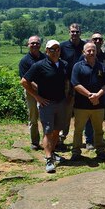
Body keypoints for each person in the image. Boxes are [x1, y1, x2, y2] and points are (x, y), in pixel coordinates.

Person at [21, 40, 69, 173]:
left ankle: (52, 152)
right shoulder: (39, 66)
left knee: (56, 131)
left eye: (57, 49)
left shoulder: (64, 65)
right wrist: (37, 97)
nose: (54, 52)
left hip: (60, 102)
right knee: (48, 131)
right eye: (51, 49)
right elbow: (24, 81)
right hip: (46, 104)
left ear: (60, 50)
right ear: (47, 51)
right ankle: (48, 159)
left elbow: (66, 82)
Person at [70, 42, 105, 161]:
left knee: (98, 129)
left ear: (96, 52)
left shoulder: (102, 66)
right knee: (78, 130)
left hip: (98, 105)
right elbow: (75, 84)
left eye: (93, 50)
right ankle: (76, 152)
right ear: (84, 52)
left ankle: (100, 151)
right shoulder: (77, 66)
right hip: (81, 105)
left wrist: (97, 95)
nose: (91, 53)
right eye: (89, 51)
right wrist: (90, 95)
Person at [59, 23, 86, 147]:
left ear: (80, 32)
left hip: (82, 84)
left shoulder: (85, 46)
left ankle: (85, 138)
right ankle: (61, 137)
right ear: (69, 32)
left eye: (77, 31)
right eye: (72, 31)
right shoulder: (63, 47)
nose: (74, 34)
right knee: (66, 111)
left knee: (84, 110)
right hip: (66, 83)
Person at [18, 35, 46, 150]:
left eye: (37, 43)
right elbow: (25, 81)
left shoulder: (45, 57)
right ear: (28, 45)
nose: (35, 45)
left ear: (40, 45)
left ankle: (47, 141)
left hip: (45, 92)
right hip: (31, 92)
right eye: (32, 43)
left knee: (46, 117)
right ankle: (35, 142)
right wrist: (39, 90)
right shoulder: (24, 61)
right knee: (33, 117)